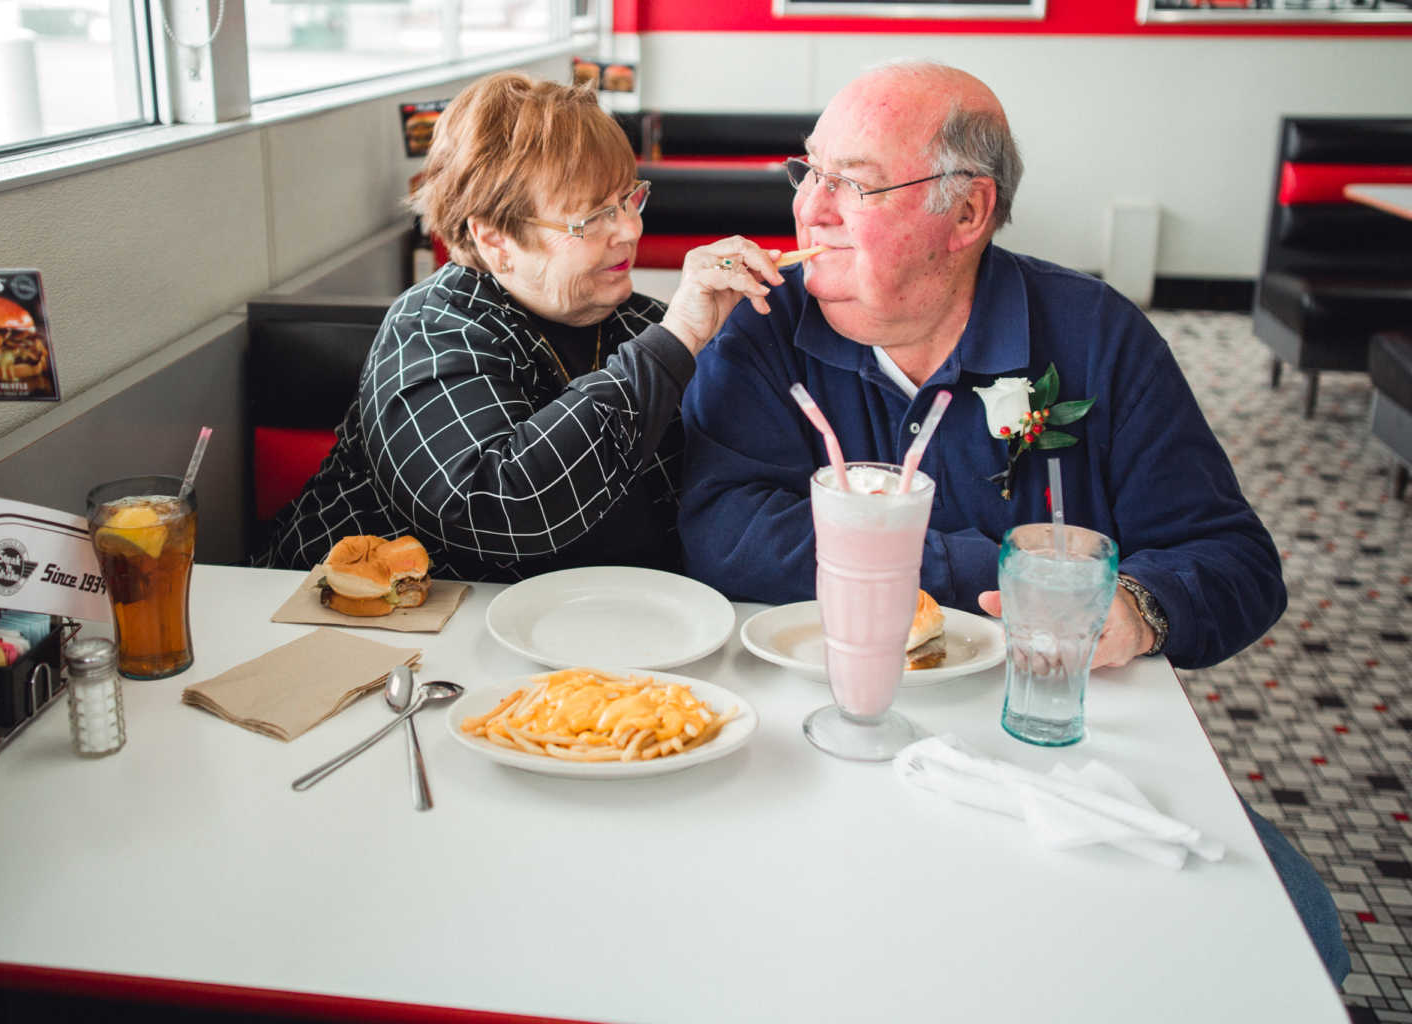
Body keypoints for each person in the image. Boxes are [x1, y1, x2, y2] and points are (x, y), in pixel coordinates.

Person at [676, 59, 1350, 985]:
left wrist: (1143, 608)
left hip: (1047, 754)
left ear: (967, 214)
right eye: (810, 172)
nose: (811, 210)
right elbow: (719, 528)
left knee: (1303, 935)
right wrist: (986, 576)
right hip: (812, 732)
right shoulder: (761, 329)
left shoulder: (1095, 338)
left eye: (854, 183)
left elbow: (1234, 558)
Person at [255, 71, 780, 582]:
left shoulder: (637, 322)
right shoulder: (432, 329)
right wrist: (676, 340)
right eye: (591, 217)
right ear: (495, 240)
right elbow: (501, 505)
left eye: (628, 199)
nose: (628, 229)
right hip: (338, 627)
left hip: (583, 635)